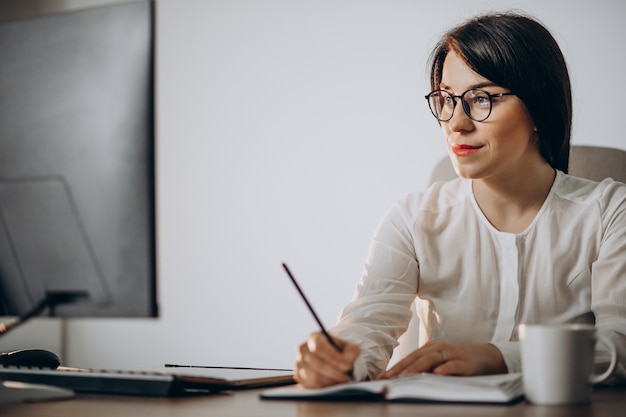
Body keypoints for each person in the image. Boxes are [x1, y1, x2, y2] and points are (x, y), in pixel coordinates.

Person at [294, 12, 626, 388]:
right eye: (446, 99)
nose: (456, 122)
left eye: (481, 99)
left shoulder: (610, 212)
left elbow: (620, 346)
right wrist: (337, 358)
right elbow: (367, 325)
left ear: (539, 107)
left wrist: (497, 357)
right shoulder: (414, 217)